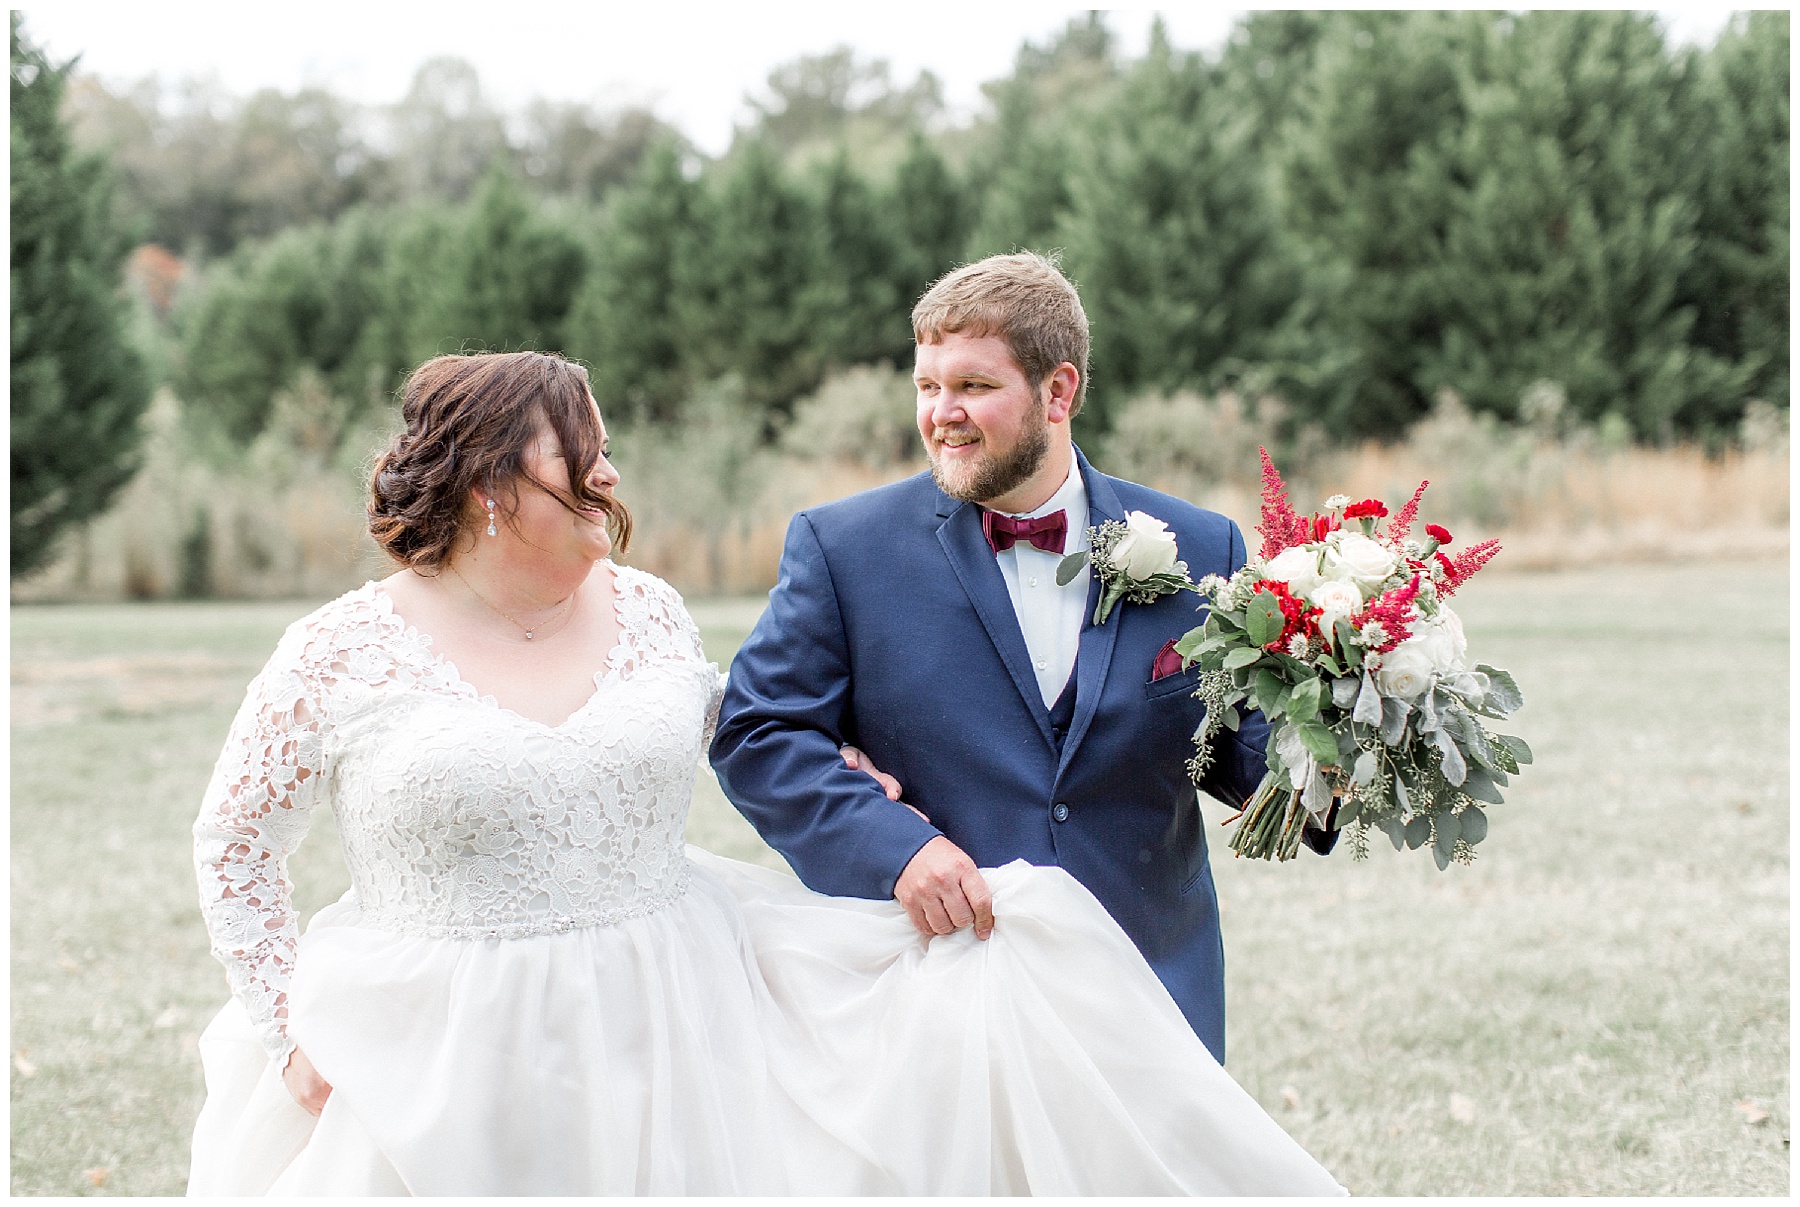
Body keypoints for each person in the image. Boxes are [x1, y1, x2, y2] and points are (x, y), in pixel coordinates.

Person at [189, 349, 1343, 1194]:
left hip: (672, 1017)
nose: (610, 472)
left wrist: (851, 771)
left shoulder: (647, 612)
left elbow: (739, 728)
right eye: (579, 458)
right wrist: (286, 1027)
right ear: (492, 485)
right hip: (430, 1045)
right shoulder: (340, 649)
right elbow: (234, 839)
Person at [711, 251, 1334, 1065]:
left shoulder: (1198, 544)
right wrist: (896, 849)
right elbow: (758, 733)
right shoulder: (844, 550)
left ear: (1059, 390)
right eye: (927, 386)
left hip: (1149, 992)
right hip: (944, 992)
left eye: (972, 386)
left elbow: (1233, 743)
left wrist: (1343, 743)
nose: (942, 414)